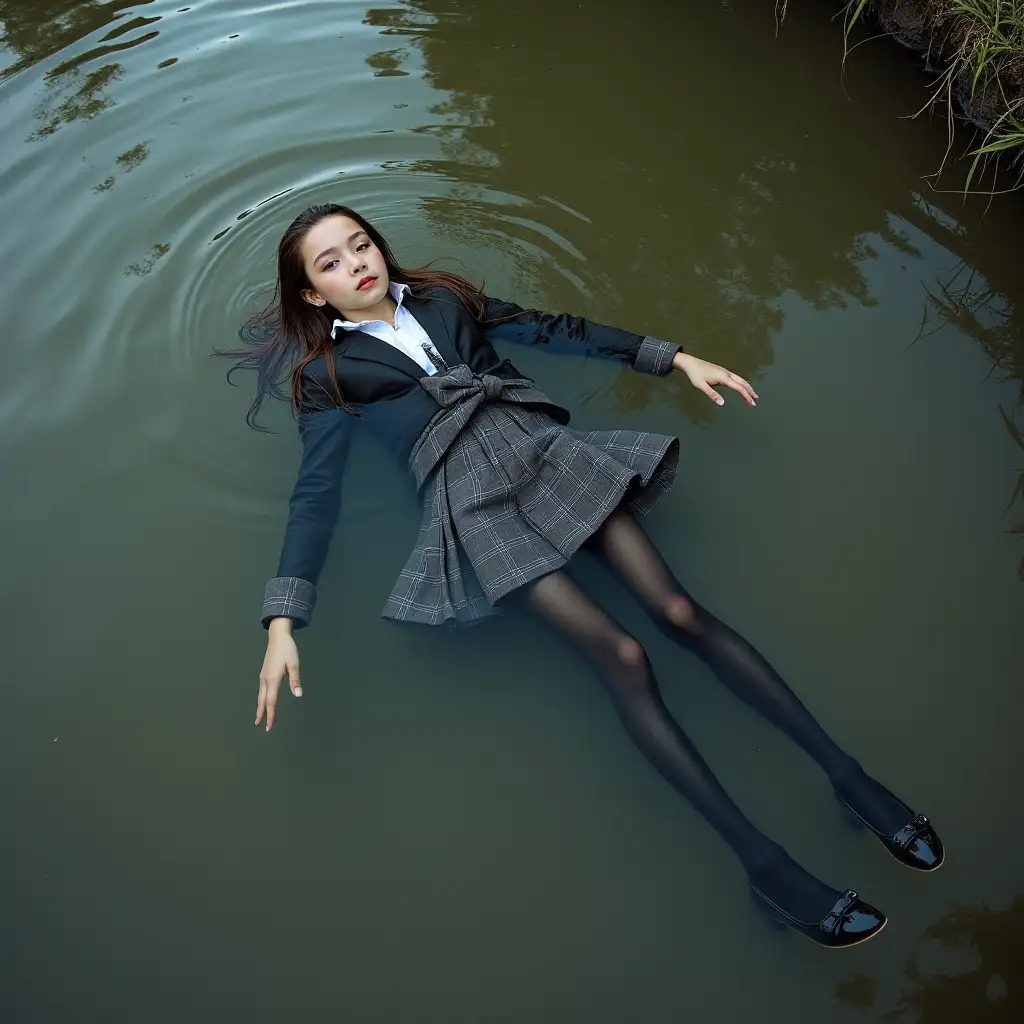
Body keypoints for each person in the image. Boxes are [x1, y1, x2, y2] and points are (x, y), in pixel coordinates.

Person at [225, 202, 943, 950]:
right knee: (624, 658)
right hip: (471, 503)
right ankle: (762, 865)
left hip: (547, 451)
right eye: (331, 263)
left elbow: (554, 328)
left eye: (360, 244)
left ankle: (849, 779)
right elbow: (316, 493)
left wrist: (674, 357)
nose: (356, 264)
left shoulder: (444, 299)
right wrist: (284, 620)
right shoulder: (328, 376)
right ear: (312, 294)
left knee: (679, 614)